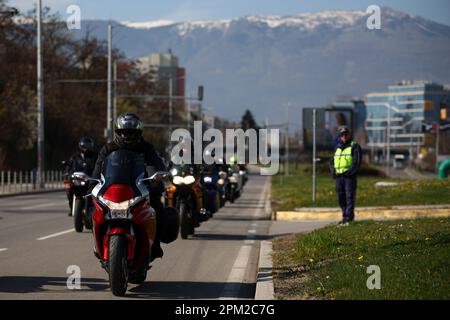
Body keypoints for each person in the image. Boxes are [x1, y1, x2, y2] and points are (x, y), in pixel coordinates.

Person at [92, 113, 167, 259]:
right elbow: (98, 168)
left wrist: (156, 180)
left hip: (141, 189)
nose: (128, 136)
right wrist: (92, 184)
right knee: (92, 211)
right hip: (113, 190)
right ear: (118, 133)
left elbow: (154, 165)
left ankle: (155, 245)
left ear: (138, 133)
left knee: (159, 210)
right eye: (124, 133)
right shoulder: (108, 149)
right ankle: (97, 244)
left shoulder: (146, 148)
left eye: (132, 133)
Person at [330, 126, 362, 225]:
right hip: (339, 177)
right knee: (341, 197)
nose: (344, 136)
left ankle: (349, 218)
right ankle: (345, 216)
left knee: (349, 197)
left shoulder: (354, 146)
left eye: (346, 134)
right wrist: (333, 171)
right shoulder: (337, 147)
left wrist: (350, 172)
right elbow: (332, 161)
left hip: (349, 177)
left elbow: (357, 162)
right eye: (342, 135)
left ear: (349, 135)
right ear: (339, 136)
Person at [64, 136, 97, 216]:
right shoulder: (75, 156)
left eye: (88, 146)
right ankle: (72, 207)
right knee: (69, 189)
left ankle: (95, 210)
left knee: (96, 193)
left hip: (90, 181)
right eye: (84, 146)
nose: (86, 148)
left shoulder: (95, 157)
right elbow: (69, 166)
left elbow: (100, 166)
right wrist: (67, 172)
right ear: (80, 146)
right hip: (77, 180)